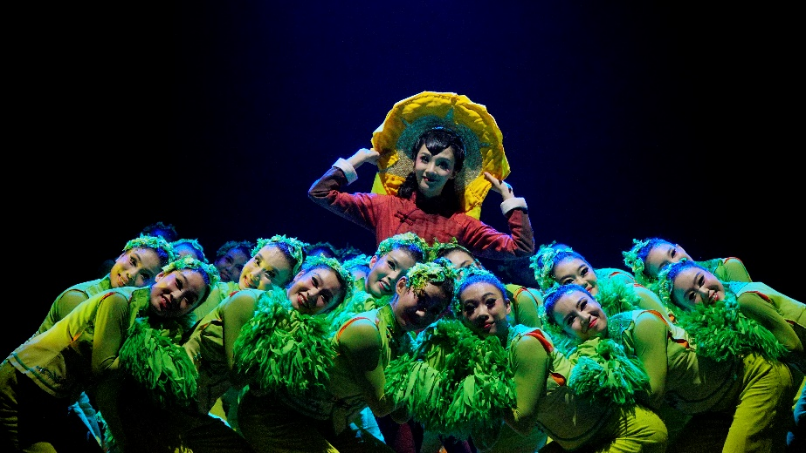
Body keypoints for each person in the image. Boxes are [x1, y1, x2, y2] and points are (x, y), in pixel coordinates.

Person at [101, 256, 353, 452]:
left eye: (325, 297)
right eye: (314, 282)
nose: (313, 294)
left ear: (327, 310)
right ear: (299, 276)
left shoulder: (290, 328)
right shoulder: (248, 301)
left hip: (194, 414)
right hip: (165, 402)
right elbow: (238, 374)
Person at [404, 268, 668, 453]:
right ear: (462, 318)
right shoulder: (493, 354)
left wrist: (474, 384)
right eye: (470, 309)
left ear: (508, 306)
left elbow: (523, 422)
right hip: (582, 443)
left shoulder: (526, 343)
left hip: (631, 433)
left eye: (490, 303)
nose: (481, 313)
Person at [544, 283, 798, 452]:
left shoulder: (641, 323)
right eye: (571, 319)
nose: (584, 317)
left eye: (583, 305)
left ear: (596, 300)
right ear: (565, 332)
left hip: (754, 378)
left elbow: (653, 395)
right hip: (712, 406)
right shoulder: (595, 351)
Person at [1, 256, 219, 452]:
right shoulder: (119, 301)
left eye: (189, 299)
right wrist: (148, 355)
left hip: (56, 400)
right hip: (22, 386)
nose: (177, 296)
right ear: (161, 275)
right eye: (178, 283)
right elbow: (103, 373)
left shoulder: (147, 318)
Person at [236, 261, 457, 452]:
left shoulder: (405, 343)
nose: (422, 313)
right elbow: (381, 406)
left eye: (434, 311)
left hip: (325, 425)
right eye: (421, 298)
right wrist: (420, 371)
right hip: (277, 415)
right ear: (401, 286)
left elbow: (400, 415)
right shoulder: (366, 330)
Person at [308, 91, 535, 260]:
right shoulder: (385, 208)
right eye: (425, 159)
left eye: (442, 164)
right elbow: (320, 193)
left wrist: (510, 200)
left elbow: (521, 248)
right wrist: (357, 160)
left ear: (454, 172)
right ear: (413, 161)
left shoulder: (461, 226)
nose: (430, 170)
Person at [191, 234, 307, 320]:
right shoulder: (213, 293)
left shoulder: (274, 323)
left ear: (284, 287)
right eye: (257, 261)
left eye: (271, 274)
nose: (254, 275)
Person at [433, 238, 541, 328]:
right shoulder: (451, 322)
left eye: (467, 267)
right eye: (454, 275)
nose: (464, 276)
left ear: (479, 265)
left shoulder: (519, 298)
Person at [622, 236, 752, 291]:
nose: (677, 262)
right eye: (665, 267)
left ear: (680, 248)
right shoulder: (671, 314)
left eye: (673, 253)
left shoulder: (727, 268)